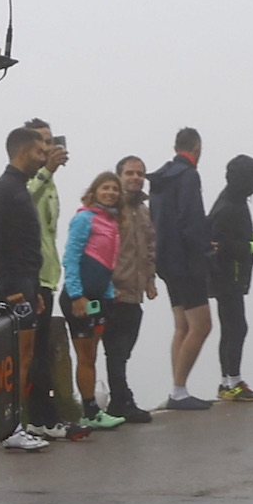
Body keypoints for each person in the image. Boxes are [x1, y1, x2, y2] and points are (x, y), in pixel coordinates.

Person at [0, 128, 50, 452]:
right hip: (14, 287)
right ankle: (13, 428)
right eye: (39, 151)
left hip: (27, 283)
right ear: (23, 152)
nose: (44, 156)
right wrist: (9, 290)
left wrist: (33, 288)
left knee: (27, 357)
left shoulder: (19, 188)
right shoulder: (3, 189)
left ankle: (16, 425)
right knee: (19, 359)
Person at [148, 128, 213, 410]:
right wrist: (205, 252)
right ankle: (178, 391)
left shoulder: (160, 179)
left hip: (166, 260)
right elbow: (191, 218)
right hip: (187, 262)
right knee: (202, 325)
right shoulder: (189, 175)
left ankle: (178, 388)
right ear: (197, 148)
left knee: (182, 326)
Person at [60, 172, 127, 430]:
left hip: (99, 299)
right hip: (80, 300)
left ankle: (92, 410)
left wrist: (109, 293)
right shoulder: (84, 218)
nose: (110, 193)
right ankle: (89, 411)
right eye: (105, 188)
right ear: (95, 191)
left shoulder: (111, 221)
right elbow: (71, 258)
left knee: (91, 356)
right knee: (85, 356)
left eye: (114, 189)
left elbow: (106, 264)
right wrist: (77, 296)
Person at [22, 118, 73, 438]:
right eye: (41, 144)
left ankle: (44, 416)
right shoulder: (28, 179)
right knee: (33, 352)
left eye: (51, 142)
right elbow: (22, 198)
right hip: (31, 277)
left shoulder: (49, 182)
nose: (47, 149)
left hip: (48, 274)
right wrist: (46, 171)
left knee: (40, 349)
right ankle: (40, 418)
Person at [208, 154, 253, 401]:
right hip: (226, 276)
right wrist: (250, 246)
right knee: (235, 327)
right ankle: (231, 382)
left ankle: (228, 381)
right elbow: (217, 243)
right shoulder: (228, 205)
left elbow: (234, 233)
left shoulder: (235, 200)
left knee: (232, 327)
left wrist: (251, 237)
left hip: (232, 275)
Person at [104, 156, 157, 424]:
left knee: (124, 350)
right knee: (115, 349)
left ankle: (118, 400)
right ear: (119, 175)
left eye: (140, 173)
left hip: (136, 291)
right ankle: (122, 400)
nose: (136, 177)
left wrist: (150, 280)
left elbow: (149, 248)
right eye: (130, 173)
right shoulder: (111, 207)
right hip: (114, 291)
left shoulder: (144, 210)